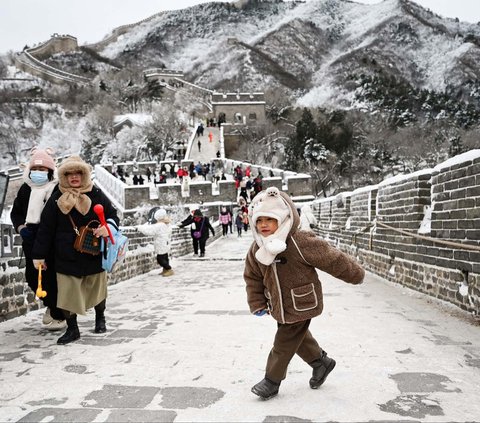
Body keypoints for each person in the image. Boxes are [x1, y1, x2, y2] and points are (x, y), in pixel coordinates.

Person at [243, 187, 365, 400]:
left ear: (283, 219)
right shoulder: (256, 249)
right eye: (259, 220)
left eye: (269, 220)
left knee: (283, 343)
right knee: (297, 337)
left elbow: (331, 258)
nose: (263, 224)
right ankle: (321, 363)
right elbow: (252, 277)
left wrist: (355, 274)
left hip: (302, 302)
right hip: (279, 305)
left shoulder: (298, 241)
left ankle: (271, 381)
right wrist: (257, 302)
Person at [32, 155, 120, 345]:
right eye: (69, 174)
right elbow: (45, 229)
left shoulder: (96, 194)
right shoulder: (56, 199)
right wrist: (39, 255)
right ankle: (73, 329)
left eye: (78, 173)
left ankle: (100, 318)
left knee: (97, 288)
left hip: (92, 251)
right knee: (67, 293)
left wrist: (108, 228)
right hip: (65, 254)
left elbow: (113, 216)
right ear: (63, 176)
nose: (74, 177)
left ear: (84, 175)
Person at [10, 148, 66, 331]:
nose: (39, 173)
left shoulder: (57, 188)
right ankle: (54, 307)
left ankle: (58, 313)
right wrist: (21, 228)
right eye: (35, 169)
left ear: (50, 171)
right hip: (31, 240)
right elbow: (16, 212)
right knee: (33, 277)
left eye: (43, 170)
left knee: (53, 277)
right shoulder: (26, 189)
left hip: (53, 240)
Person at [138, 209, 174, 277]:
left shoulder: (159, 225)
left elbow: (149, 231)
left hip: (160, 243)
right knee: (165, 257)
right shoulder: (167, 224)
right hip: (165, 242)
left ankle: (169, 269)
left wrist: (139, 228)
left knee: (160, 258)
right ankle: (165, 269)